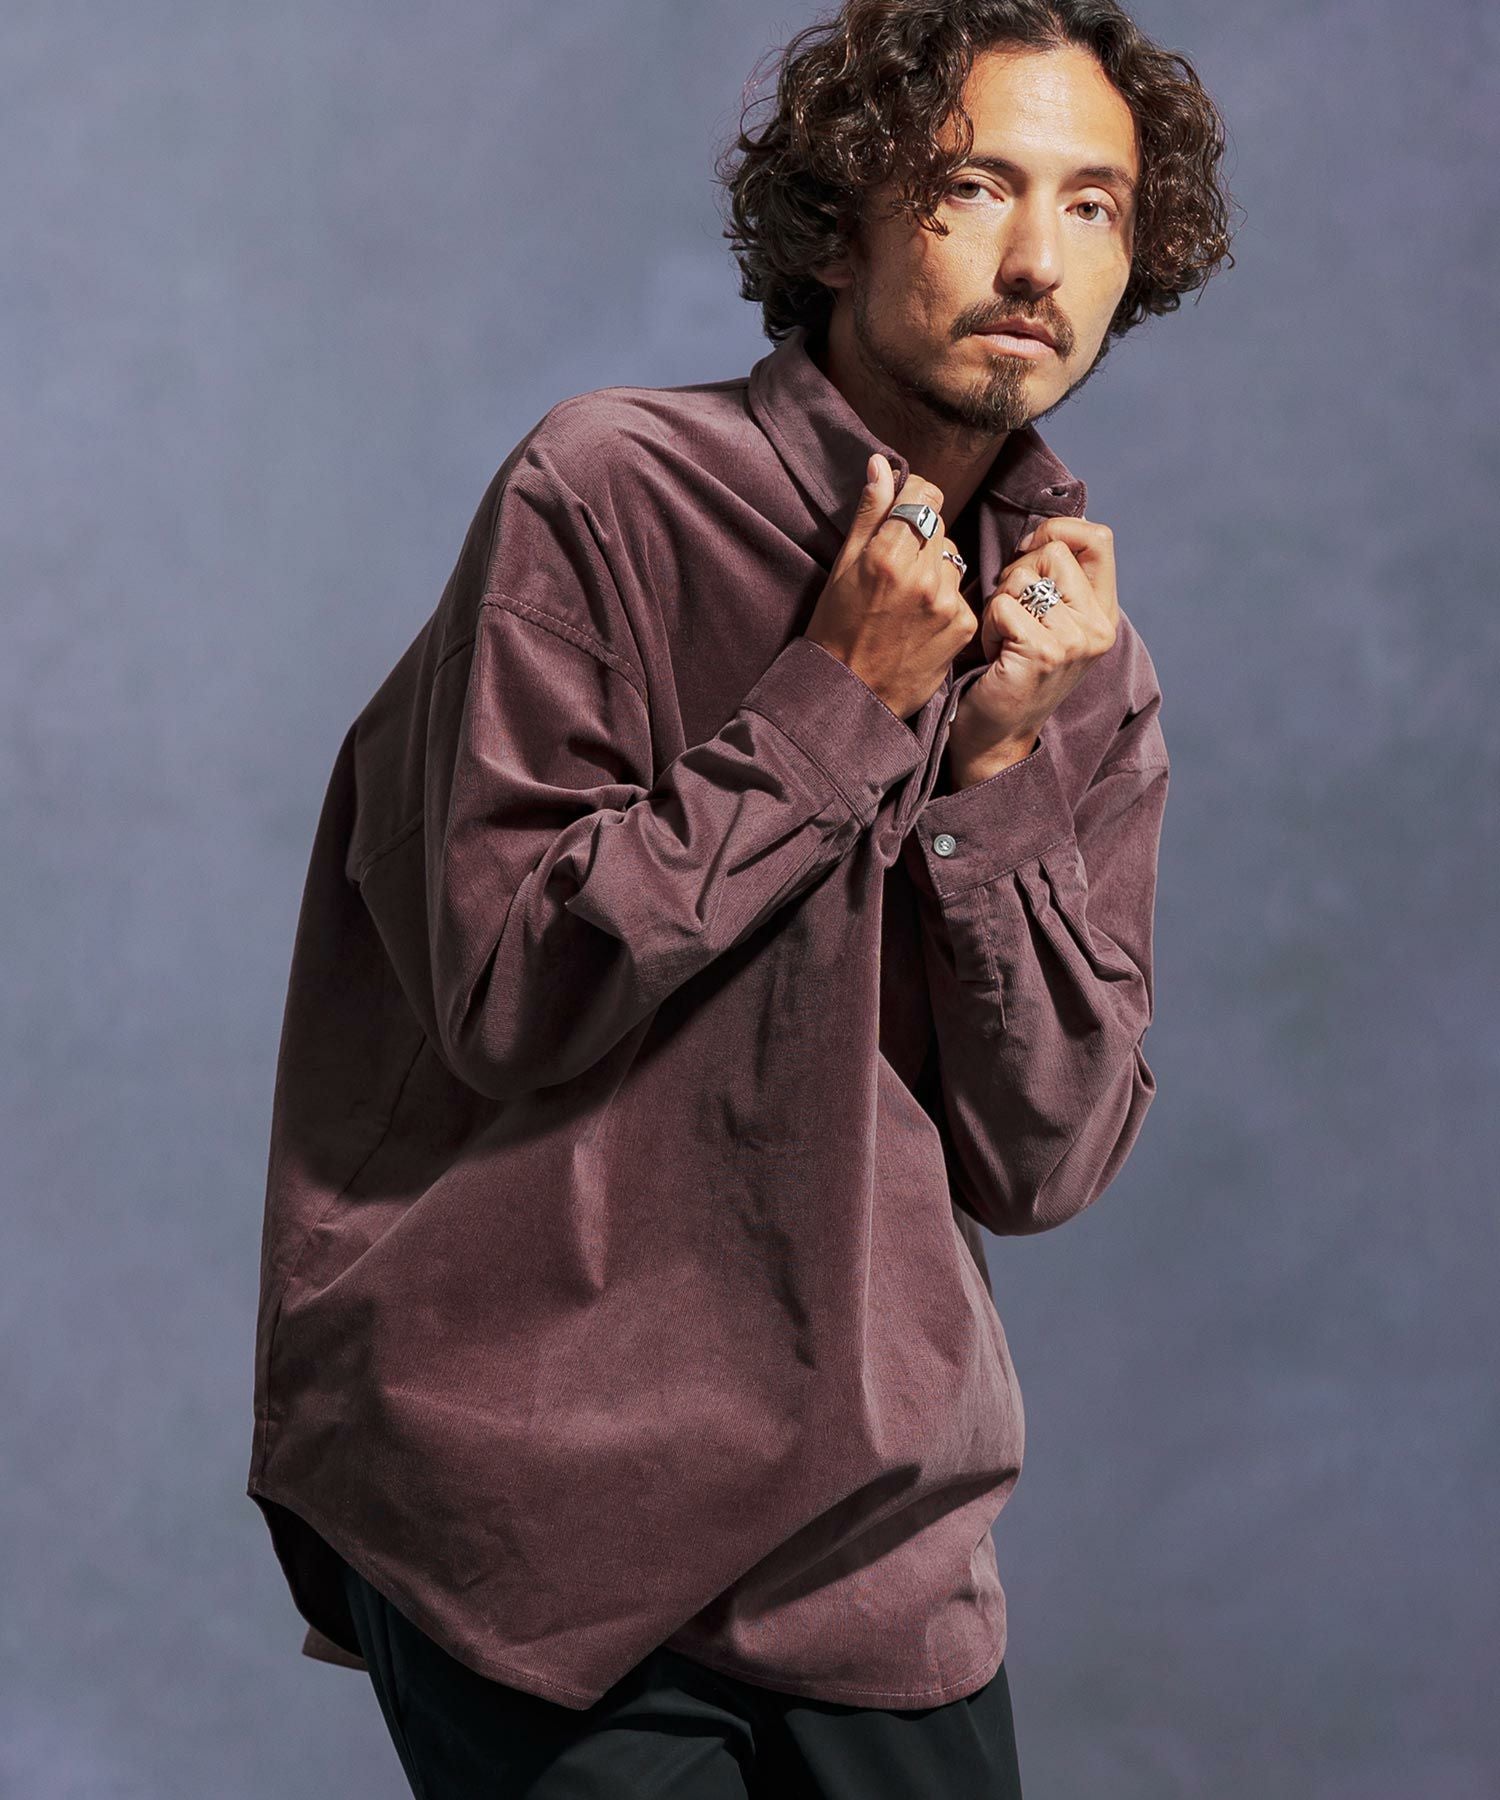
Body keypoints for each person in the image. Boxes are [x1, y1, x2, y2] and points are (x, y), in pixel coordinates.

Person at [246, 1, 1235, 1792]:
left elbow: (1046, 1162)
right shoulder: (611, 491)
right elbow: (510, 991)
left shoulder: (1082, 660)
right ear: (840, 219)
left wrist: (1000, 768)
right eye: (973, 186)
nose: (1037, 258)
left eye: (1093, 205)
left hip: (882, 1542)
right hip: (538, 1516)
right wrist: (837, 698)